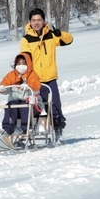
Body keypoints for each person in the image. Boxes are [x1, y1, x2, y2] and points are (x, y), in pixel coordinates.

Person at [20, 8, 73, 140]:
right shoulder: (26, 39)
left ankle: (58, 130)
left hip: (50, 79)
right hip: (34, 81)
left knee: (55, 106)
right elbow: (25, 57)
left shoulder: (51, 36)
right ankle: (29, 132)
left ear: (44, 21)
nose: (36, 23)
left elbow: (69, 40)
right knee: (33, 107)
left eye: (39, 20)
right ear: (29, 22)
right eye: (34, 20)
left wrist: (60, 34)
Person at [0, 52, 42, 147]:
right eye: (18, 64)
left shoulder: (32, 75)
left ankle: (27, 128)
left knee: (25, 106)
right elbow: (5, 84)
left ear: (28, 64)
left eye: (23, 63)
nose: (21, 66)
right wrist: (2, 88)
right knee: (10, 105)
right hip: (15, 103)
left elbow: (36, 86)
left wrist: (29, 86)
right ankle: (8, 128)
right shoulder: (11, 75)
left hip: (32, 104)